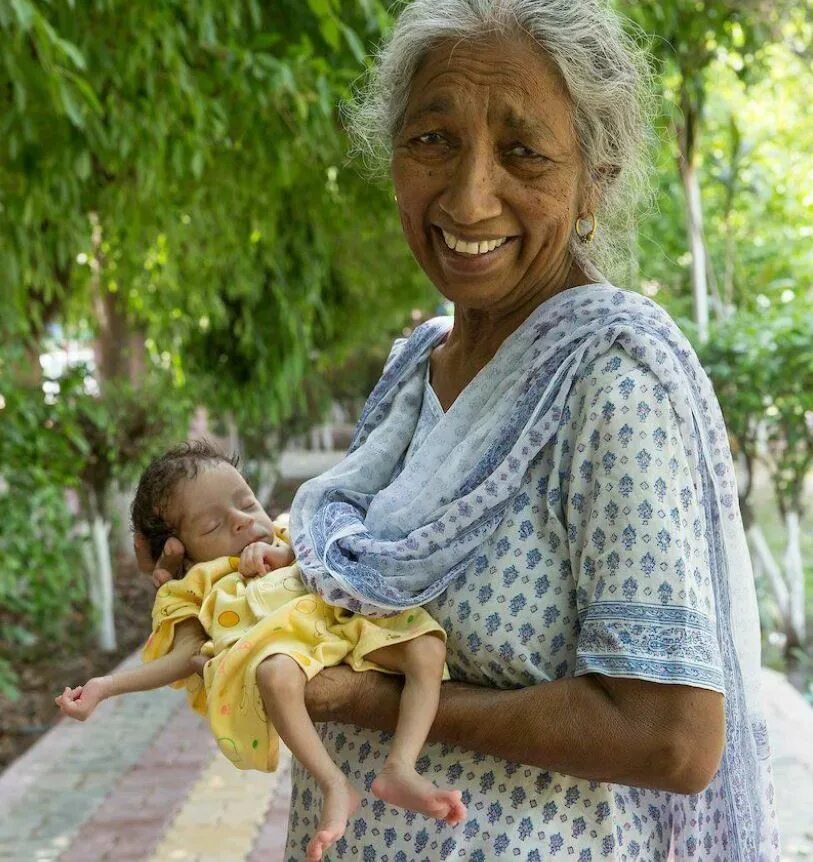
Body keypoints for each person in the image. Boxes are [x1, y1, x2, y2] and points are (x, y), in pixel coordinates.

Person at [141, 1, 781, 859]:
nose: (468, 195)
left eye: (522, 152)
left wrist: (360, 700)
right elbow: (349, 583)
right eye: (433, 140)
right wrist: (216, 565)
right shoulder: (416, 366)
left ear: (595, 178)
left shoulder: (609, 388)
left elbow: (671, 736)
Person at [59, 442, 465, 862]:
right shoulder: (195, 583)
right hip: (288, 646)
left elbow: (340, 552)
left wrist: (290, 554)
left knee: (426, 649)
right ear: (180, 551)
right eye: (213, 526)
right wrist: (106, 687)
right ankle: (332, 783)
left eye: (246, 503)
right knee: (274, 676)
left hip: (349, 623)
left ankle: (400, 766)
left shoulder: (290, 531)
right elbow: (182, 658)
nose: (241, 522)